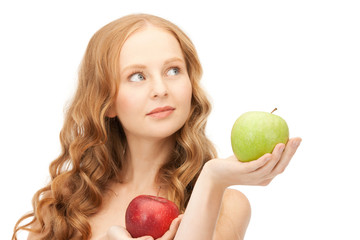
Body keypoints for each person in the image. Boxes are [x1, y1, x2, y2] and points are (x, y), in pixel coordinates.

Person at [12, 13, 301, 240]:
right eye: (137, 76)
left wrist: (212, 179)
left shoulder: (227, 205)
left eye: (173, 70)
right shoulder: (61, 206)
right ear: (107, 101)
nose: (161, 89)